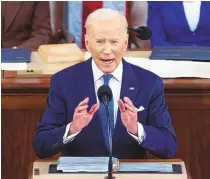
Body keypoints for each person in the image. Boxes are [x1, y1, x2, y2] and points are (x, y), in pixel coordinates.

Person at [33, 8, 177, 159]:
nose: (107, 50)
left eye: (114, 42)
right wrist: (72, 128)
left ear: (125, 43)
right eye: (100, 42)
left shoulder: (149, 83)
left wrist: (136, 129)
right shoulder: (63, 81)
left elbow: (169, 147)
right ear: (87, 44)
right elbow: (41, 145)